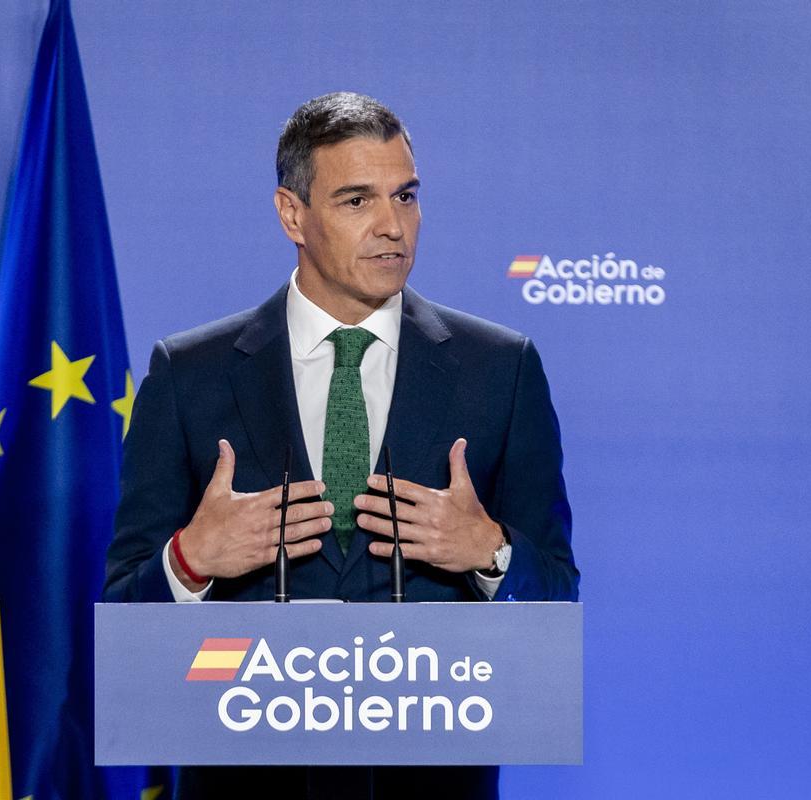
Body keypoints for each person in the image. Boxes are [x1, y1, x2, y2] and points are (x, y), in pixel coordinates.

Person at [105, 92, 578, 800]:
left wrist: (490, 551)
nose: (394, 227)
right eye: (357, 201)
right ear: (292, 214)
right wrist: (190, 560)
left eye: (407, 196)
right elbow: (121, 620)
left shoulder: (499, 371)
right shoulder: (190, 375)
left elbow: (558, 596)